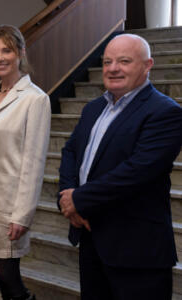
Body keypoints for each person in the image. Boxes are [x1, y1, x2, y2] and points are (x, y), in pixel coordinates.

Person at [58, 33, 182, 299]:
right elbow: (69, 152)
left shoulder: (165, 112)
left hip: (136, 251)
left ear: (148, 65)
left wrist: (78, 199)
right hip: (90, 236)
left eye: (124, 61)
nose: (113, 68)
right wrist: (67, 195)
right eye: (107, 62)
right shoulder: (93, 108)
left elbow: (137, 172)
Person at [0, 25, 50, 300]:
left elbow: (34, 163)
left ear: (21, 53)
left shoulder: (36, 99)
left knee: (8, 274)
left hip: (11, 205)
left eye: (6, 50)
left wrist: (22, 215)